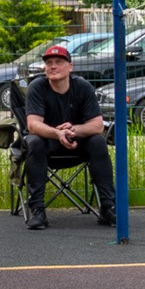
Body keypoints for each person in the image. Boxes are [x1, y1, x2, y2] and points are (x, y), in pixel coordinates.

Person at [19, 42, 116, 229]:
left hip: (76, 145)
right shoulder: (37, 87)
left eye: (59, 62)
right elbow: (32, 125)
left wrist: (74, 130)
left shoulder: (83, 87)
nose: (53, 66)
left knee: (98, 141)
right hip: (46, 146)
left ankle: (108, 207)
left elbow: (97, 125)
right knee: (34, 142)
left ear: (70, 67)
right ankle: (38, 210)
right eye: (49, 63)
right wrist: (57, 133)